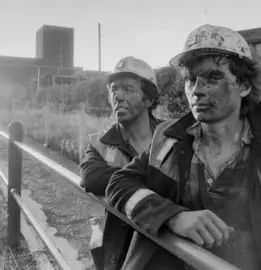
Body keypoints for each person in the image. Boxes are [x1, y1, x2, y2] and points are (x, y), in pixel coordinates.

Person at [105, 24, 261, 270]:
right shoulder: (169, 139)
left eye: (213, 78)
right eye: (190, 79)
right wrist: (173, 216)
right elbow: (119, 184)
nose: (197, 90)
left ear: (244, 86)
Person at [79, 56, 162, 270]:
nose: (118, 96)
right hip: (118, 246)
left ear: (149, 99)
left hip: (163, 244)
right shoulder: (99, 143)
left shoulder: (172, 136)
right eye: (114, 89)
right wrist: (158, 180)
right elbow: (92, 178)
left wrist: (122, 178)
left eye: (128, 90)